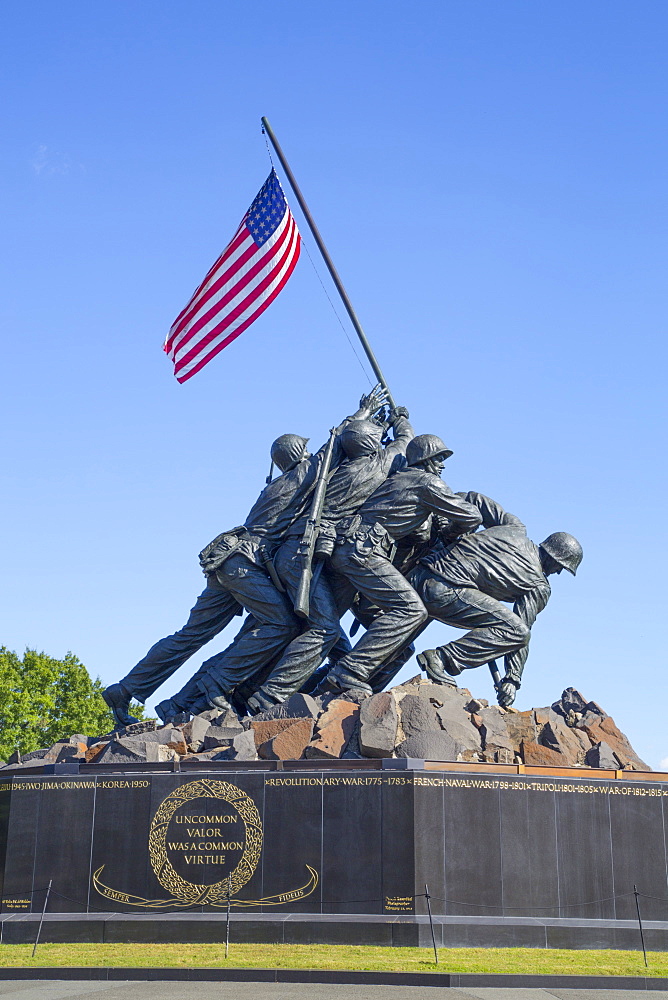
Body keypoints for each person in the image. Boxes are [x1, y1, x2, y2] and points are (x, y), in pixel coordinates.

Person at [102, 387, 386, 728]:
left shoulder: (278, 483)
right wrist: (363, 415)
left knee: (190, 635)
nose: (311, 453)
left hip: (228, 560)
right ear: (299, 455)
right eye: (306, 450)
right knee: (281, 623)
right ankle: (214, 685)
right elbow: (334, 448)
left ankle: (126, 689)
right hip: (244, 563)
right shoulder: (300, 477)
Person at [240, 405, 414, 712]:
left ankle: (308, 687)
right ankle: (268, 698)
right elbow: (405, 442)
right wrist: (400, 420)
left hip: (301, 555)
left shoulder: (333, 473)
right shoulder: (379, 465)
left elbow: (336, 445)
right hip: (305, 556)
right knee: (325, 629)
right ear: (374, 444)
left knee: (319, 626)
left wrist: (362, 416)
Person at [320, 434, 483, 695]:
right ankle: (349, 671)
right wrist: (451, 533)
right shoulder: (427, 482)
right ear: (426, 458)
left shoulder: (399, 478)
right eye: (439, 458)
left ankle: (318, 688)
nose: (442, 465)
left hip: (346, 549)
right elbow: (471, 515)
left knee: (328, 626)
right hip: (364, 550)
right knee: (411, 611)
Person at [411, 492, 583, 707]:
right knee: (517, 631)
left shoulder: (514, 528)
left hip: (416, 575)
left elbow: (473, 499)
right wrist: (512, 678)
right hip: (442, 593)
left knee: (395, 650)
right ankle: (441, 658)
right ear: (553, 557)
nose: (557, 573)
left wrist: (448, 527)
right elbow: (520, 632)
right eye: (561, 567)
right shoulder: (539, 585)